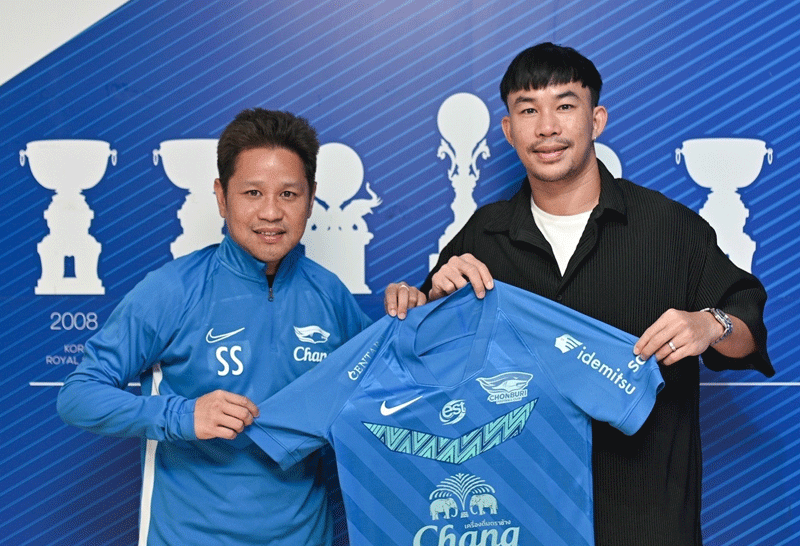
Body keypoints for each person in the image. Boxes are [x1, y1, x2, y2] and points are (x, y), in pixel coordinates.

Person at [385, 42, 773, 546]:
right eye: (528, 110)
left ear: (596, 120)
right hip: (518, 519)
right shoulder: (482, 236)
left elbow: (747, 332)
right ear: (509, 130)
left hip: (644, 522)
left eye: (565, 105)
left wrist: (711, 323)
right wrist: (422, 303)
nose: (547, 127)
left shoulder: (670, 228)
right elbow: (420, 363)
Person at [57, 108, 371, 546]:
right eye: (252, 193)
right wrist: (182, 416)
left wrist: (413, 315)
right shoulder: (172, 290)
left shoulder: (330, 294)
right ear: (222, 197)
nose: (271, 212)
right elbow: (77, 395)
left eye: (288, 194)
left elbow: (387, 398)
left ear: (311, 198)